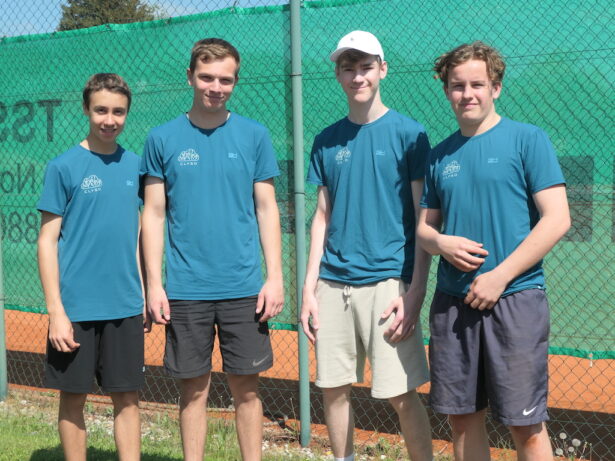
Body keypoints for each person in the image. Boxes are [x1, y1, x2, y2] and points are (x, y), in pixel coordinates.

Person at [417, 41, 571, 461]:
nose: (467, 94)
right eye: (457, 85)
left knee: (525, 425)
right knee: (462, 420)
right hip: (453, 304)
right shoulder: (439, 155)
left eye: (477, 85)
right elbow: (424, 231)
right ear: (447, 90)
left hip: (515, 299)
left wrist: (500, 276)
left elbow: (557, 218)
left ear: (496, 88)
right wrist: (441, 242)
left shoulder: (528, 140)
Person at [140, 38, 284, 461]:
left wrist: (275, 278)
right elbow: (153, 215)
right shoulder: (161, 138)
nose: (215, 87)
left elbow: (267, 209)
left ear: (235, 82)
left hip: (244, 288)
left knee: (247, 390)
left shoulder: (254, 135)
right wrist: (154, 285)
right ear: (190, 77)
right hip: (186, 290)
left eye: (225, 80)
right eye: (206, 77)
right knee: (193, 391)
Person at [300, 31, 434, 461]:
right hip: (332, 284)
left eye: (366, 67)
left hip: (388, 285)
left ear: (382, 70)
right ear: (338, 75)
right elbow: (322, 216)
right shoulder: (326, 140)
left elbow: (424, 221)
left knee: (401, 394)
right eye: (348, 68)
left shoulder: (410, 134)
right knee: (333, 389)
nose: (357, 76)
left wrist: (414, 291)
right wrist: (309, 288)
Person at [37, 73, 146, 461]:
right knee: (73, 398)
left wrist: (143, 294)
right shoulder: (63, 167)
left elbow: (137, 237)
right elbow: (47, 241)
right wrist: (56, 312)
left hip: (125, 306)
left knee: (127, 398)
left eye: (118, 112)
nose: (109, 120)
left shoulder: (137, 165)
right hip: (76, 309)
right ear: (86, 109)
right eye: (101, 110)